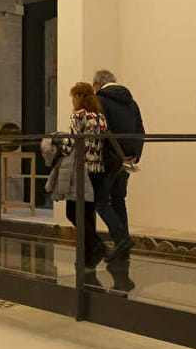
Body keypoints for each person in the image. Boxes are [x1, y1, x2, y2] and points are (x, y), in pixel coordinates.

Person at [58, 82, 110, 271]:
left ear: (79, 96)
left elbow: (70, 143)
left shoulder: (78, 116)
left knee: (72, 212)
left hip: (81, 170)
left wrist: (58, 146)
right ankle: (88, 258)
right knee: (88, 215)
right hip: (98, 170)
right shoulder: (100, 118)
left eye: (73, 96)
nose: (72, 100)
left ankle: (98, 247)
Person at [94, 69, 143, 261]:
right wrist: (134, 155)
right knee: (118, 199)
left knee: (101, 201)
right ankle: (123, 246)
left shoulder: (100, 100)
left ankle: (121, 238)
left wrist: (113, 154)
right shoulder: (132, 103)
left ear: (98, 84)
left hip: (109, 158)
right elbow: (140, 129)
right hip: (127, 158)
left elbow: (102, 129)